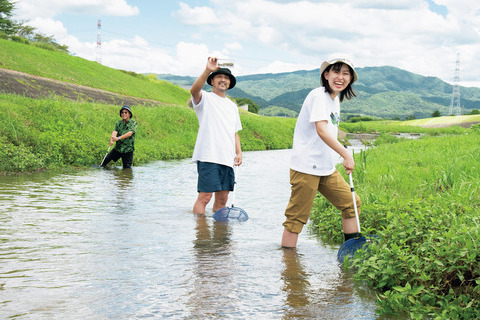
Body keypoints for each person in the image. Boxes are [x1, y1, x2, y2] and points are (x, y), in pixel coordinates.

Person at [281, 57, 361, 248]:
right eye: (336, 72)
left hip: (325, 168)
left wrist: (341, 153)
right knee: (296, 218)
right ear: (326, 75)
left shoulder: (335, 100)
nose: (340, 77)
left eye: (345, 73)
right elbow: (322, 130)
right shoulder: (318, 95)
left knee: (351, 204)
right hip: (306, 167)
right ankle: (289, 268)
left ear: (350, 79)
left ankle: (350, 253)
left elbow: (329, 133)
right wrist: (346, 154)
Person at [190, 57, 243, 214]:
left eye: (226, 78)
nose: (223, 80)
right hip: (208, 155)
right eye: (219, 77)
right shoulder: (205, 99)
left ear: (229, 84)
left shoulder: (232, 107)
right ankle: (201, 235)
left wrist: (239, 152)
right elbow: (194, 90)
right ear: (212, 81)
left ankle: (219, 236)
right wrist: (207, 69)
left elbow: (234, 132)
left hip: (227, 158)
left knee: (222, 199)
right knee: (205, 197)